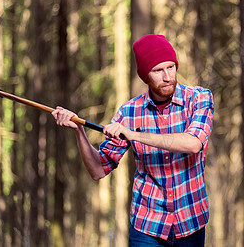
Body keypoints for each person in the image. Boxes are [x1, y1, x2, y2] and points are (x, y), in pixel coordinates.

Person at [52, 34, 214, 246]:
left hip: (190, 221)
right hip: (147, 224)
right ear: (145, 76)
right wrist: (78, 131)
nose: (167, 76)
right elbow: (98, 170)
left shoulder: (199, 98)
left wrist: (134, 135)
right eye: (158, 70)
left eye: (171, 67)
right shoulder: (129, 112)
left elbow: (193, 143)